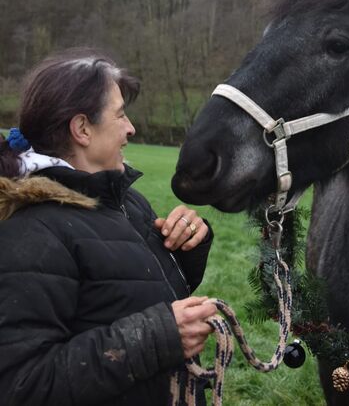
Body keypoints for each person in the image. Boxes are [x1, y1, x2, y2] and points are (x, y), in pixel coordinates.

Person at [0, 49, 216, 406]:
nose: (130, 128)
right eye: (120, 115)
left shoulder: (125, 201)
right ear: (82, 128)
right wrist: (157, 338)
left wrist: (188, 248)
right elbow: (22, 385)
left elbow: (124, 294)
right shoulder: (29, 230)